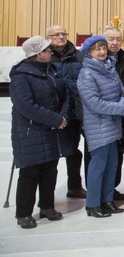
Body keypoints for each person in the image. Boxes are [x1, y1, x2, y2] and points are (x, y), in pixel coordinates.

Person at [10, 36, 73, 228]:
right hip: (31, 131)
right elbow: (26, 106)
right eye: (47, 50)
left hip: (52, 129)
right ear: (37, 54)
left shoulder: (52, 71)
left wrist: (63, 117)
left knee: (49, 171)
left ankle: (47, 206)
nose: (50, 52)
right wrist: (55, 120)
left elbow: (66, 97)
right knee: (30, 172)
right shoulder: (21, 76)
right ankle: (23, 213)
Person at [77, 36, 124, 219]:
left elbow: (121, 92)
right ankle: (92, 204)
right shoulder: (87, 74)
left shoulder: (109, 67)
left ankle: (107, 200)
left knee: (112, 165)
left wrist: (122, 104)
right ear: (88, 52)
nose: (102, 52)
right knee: (98, 166)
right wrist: (121, 108)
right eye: (97, 49)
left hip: (113, 123)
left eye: (104, 48)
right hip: (98, 125)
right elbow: (94, 103)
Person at [46, 25, 86, 200]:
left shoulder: (79, 55)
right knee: (51, 153)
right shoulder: (44, 56)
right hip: (52, 112)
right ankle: (47, 195)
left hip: (74, 110)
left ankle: (75, 186)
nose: (60, 37)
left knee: (72, 150)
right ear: (48, 37)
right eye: (56, 34)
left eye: (63, 34)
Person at [102, 28, 124, 201]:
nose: (114, 43)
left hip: (120, 113)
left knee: (116, 157)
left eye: (118, 39)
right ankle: (98, 193)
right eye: (110, 39)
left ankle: (111, 190)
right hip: (100, 116)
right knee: (99, 159)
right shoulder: (95, 60)